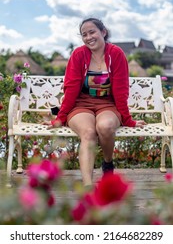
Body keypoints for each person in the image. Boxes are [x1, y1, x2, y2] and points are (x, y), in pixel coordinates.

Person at [43, 17, 146, 188]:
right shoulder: (78, 54)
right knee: (88, 132)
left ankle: (107, 163)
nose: (88, 37)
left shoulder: (116, 54)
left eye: (92, 32)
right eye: (84, 34)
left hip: (107, 104)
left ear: (103, 32)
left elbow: (121, 91)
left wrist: (129, 121)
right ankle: (88, 187)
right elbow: (71, 89)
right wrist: (60, 118)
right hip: (81, 104)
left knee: (105, 127)